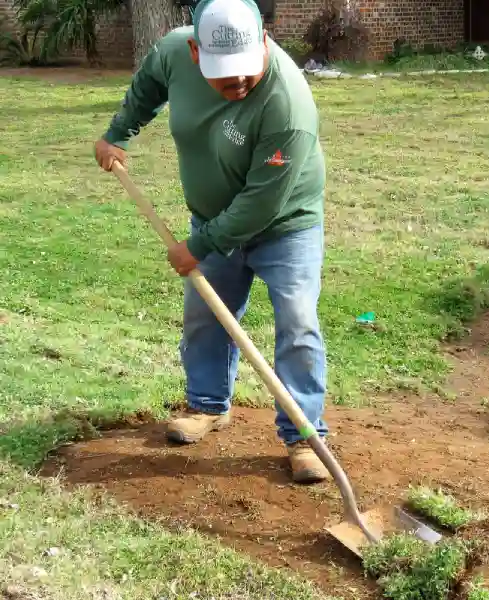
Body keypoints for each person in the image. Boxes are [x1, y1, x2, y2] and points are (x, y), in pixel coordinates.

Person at [94, 0, 330, 484]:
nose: (240, 84)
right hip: (211, 216)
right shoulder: (173, 52)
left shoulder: (288, 104)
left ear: (263, 42)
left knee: (298, 323)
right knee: (205, 317)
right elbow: (148, 88)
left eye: (248, 71)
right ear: (197, 52)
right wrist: (118, 133)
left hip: (286, 225)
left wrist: (199, 246)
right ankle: (207, 405)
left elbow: (262, 203)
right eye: (227, 76)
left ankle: (304, 436)